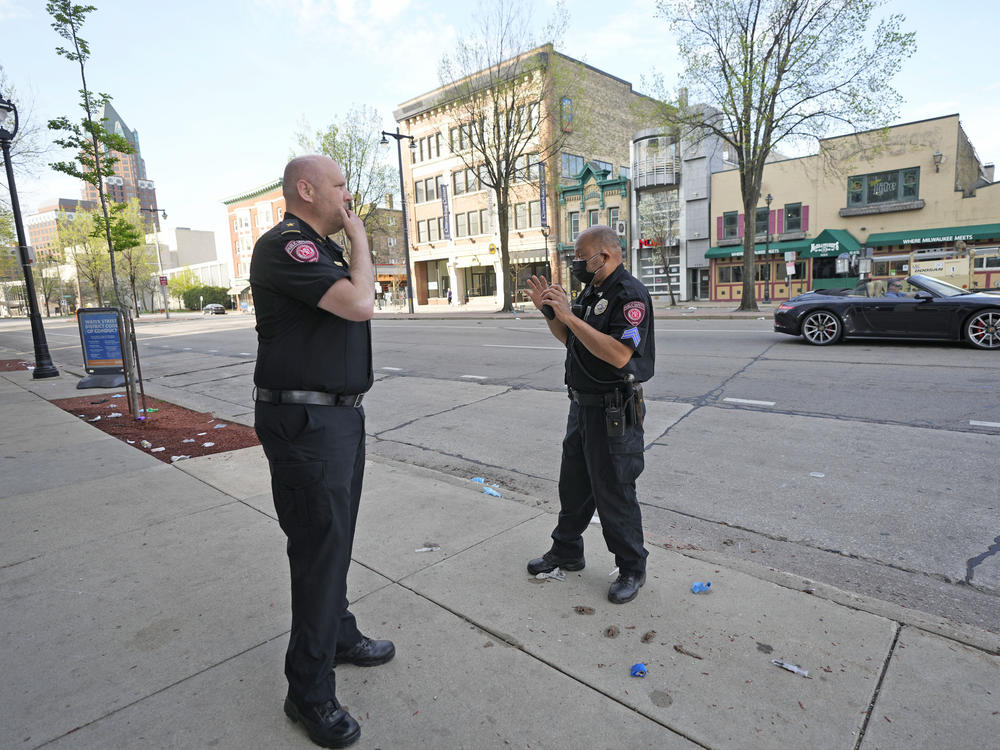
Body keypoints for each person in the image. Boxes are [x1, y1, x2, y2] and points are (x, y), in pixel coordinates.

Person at [250, 155, 393, 749]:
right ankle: (307, 691)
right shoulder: (289, 246)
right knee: (317, 550)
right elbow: (362, 303)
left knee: (334, 542)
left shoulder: (321, 251)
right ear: (305, 191)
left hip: (335, 419)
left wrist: (350, 239)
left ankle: (338, 633)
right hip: (306, 423)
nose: (347, 196)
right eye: (338, 186)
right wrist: (360, 235)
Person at [523, 225, 655, 604]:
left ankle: (632, 566)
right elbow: (570, 338)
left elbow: (618, 354)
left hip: (613, 410)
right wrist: (552, 314)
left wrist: (570, 315)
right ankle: (567, 550)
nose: (577, 264)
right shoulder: (593, 290)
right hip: (581, 406)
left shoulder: (629, 295)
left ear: (606, 256)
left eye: (582, 258)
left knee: (614, 491)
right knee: (574, 486)